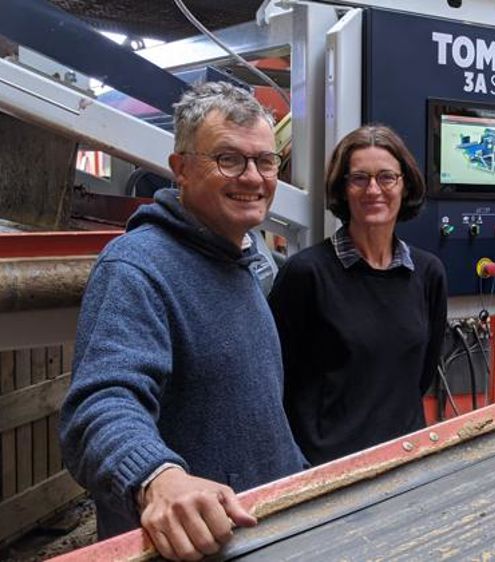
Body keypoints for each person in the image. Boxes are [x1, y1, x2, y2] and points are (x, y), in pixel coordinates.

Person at [59, 82, 308, 559]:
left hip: (259, 531)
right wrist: (157, 478)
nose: (252, 177)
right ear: (181, 170)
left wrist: (297, 470)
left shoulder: (247, 262)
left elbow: (257, 412)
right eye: (229, 159)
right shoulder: (136, 267)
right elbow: (101, 405)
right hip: (191, 547)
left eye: (265, 161)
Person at [269, 124, 448, 466]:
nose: (373, 190)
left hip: (404, 459)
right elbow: (275, 380)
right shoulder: (306, 274)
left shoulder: (428, 273)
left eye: (386, 177)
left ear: (405, 184)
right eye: (359, 178)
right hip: (327, 468)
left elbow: (420, 376)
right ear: (343, 189)